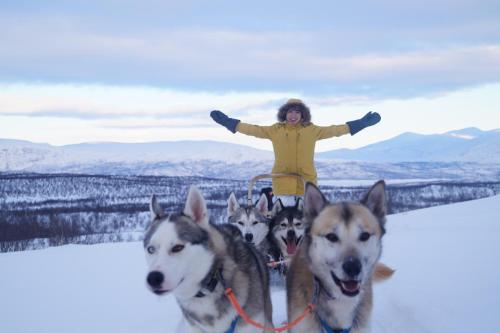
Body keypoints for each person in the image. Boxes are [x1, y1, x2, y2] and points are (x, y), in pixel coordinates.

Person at [210, 98, 381, 205]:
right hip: (282, 182)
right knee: (283, 223)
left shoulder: (312, 130)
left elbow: (336, 130)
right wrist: (229, 123)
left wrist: (360, 124)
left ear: (302, 115)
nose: (293, 115)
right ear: (284, 114)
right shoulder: (275, 130)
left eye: (297, 112)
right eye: (290, 112)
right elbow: (252, 129)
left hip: (307, 184)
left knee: (305, 224)